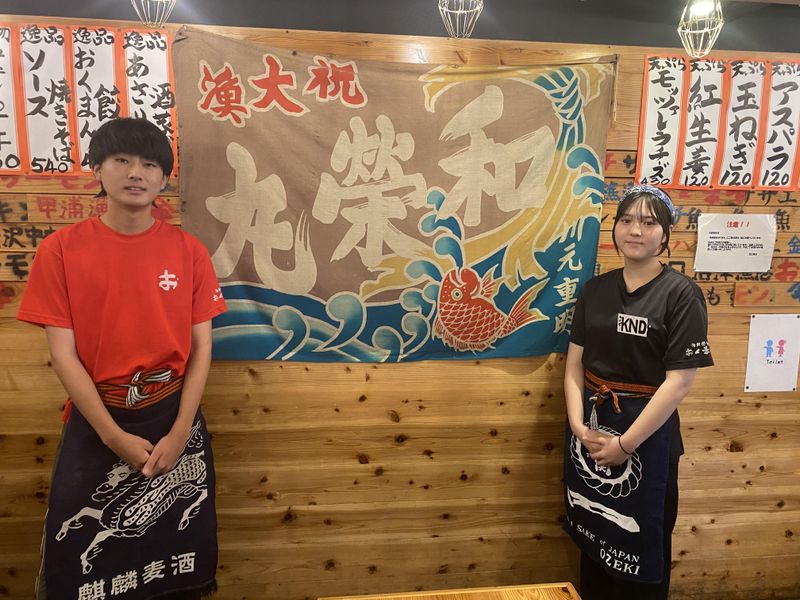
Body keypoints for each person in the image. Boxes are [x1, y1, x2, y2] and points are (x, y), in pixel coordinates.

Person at [17, 117, 226, 600]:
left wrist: (179, 433)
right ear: (97, 169)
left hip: (175, 418)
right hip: (98, 420)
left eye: (150, 164)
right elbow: (63, 355)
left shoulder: (189, 251)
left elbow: (202, 347)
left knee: (178, 555)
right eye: (122, 160)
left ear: (164, 178)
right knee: (81, 558)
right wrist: (113, 436)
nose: (136, 172)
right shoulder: (60, 251)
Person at [561, 185, 713, 600]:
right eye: (626, 220)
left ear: (665, 235)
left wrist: (625, 445)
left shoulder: (681, 294)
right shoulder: (595, 290)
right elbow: (574, 366)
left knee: (640, 549)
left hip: (647, 439)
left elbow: (679, 382)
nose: (635, 231)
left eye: (648, 223)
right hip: (590, 431)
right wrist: (578, 426)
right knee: (595, 539)